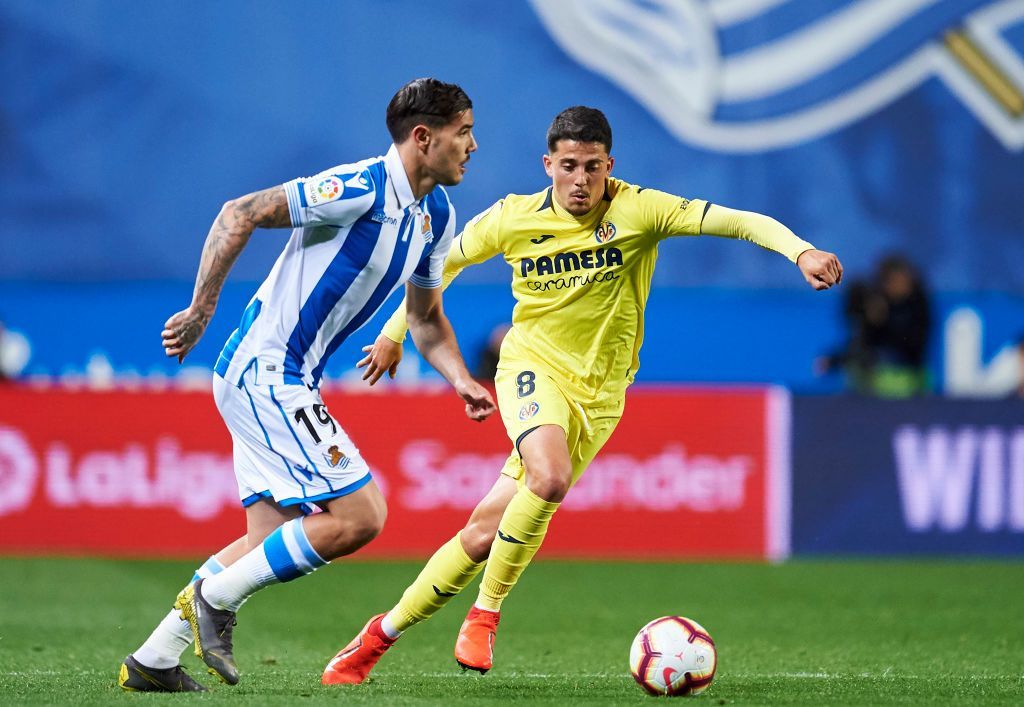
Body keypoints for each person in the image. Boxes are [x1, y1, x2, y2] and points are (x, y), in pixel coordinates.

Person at [321, 106, 842, 685]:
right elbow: (437, 268)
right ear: (548, 165)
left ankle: (375, 639)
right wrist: (393, 335)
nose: (580, 180)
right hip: (531, 368)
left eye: (592, 167)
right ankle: (485, 615)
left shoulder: (642, 210)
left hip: (600, 398)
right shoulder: (512, 218)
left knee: (481, 534)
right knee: (548, 477)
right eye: (568, 166)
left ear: (608, 165)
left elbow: (739, 221)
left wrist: (801, 250)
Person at [117, 78, 497, 693]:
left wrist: (459, 378)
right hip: (267, 372)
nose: (474, 145)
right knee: (360, 515)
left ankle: (154, 660)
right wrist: (200, 310)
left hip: (283, 378)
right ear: (424, 138)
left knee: (267, 540)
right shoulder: (359, 187)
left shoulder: (436, 214)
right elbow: (238, 213)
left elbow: (425, 319)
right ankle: (214, 600)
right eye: (465, 131)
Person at [818, 254, 929, 396]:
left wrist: (886, 321)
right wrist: (835, 360)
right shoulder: (875, 305)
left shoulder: (918, 307)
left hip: (909, 378)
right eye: (893, 281)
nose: (900, 285)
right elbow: (861, 344)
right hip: (872, 381)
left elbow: (913, 347)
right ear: (885, 283)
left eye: (904, 280)